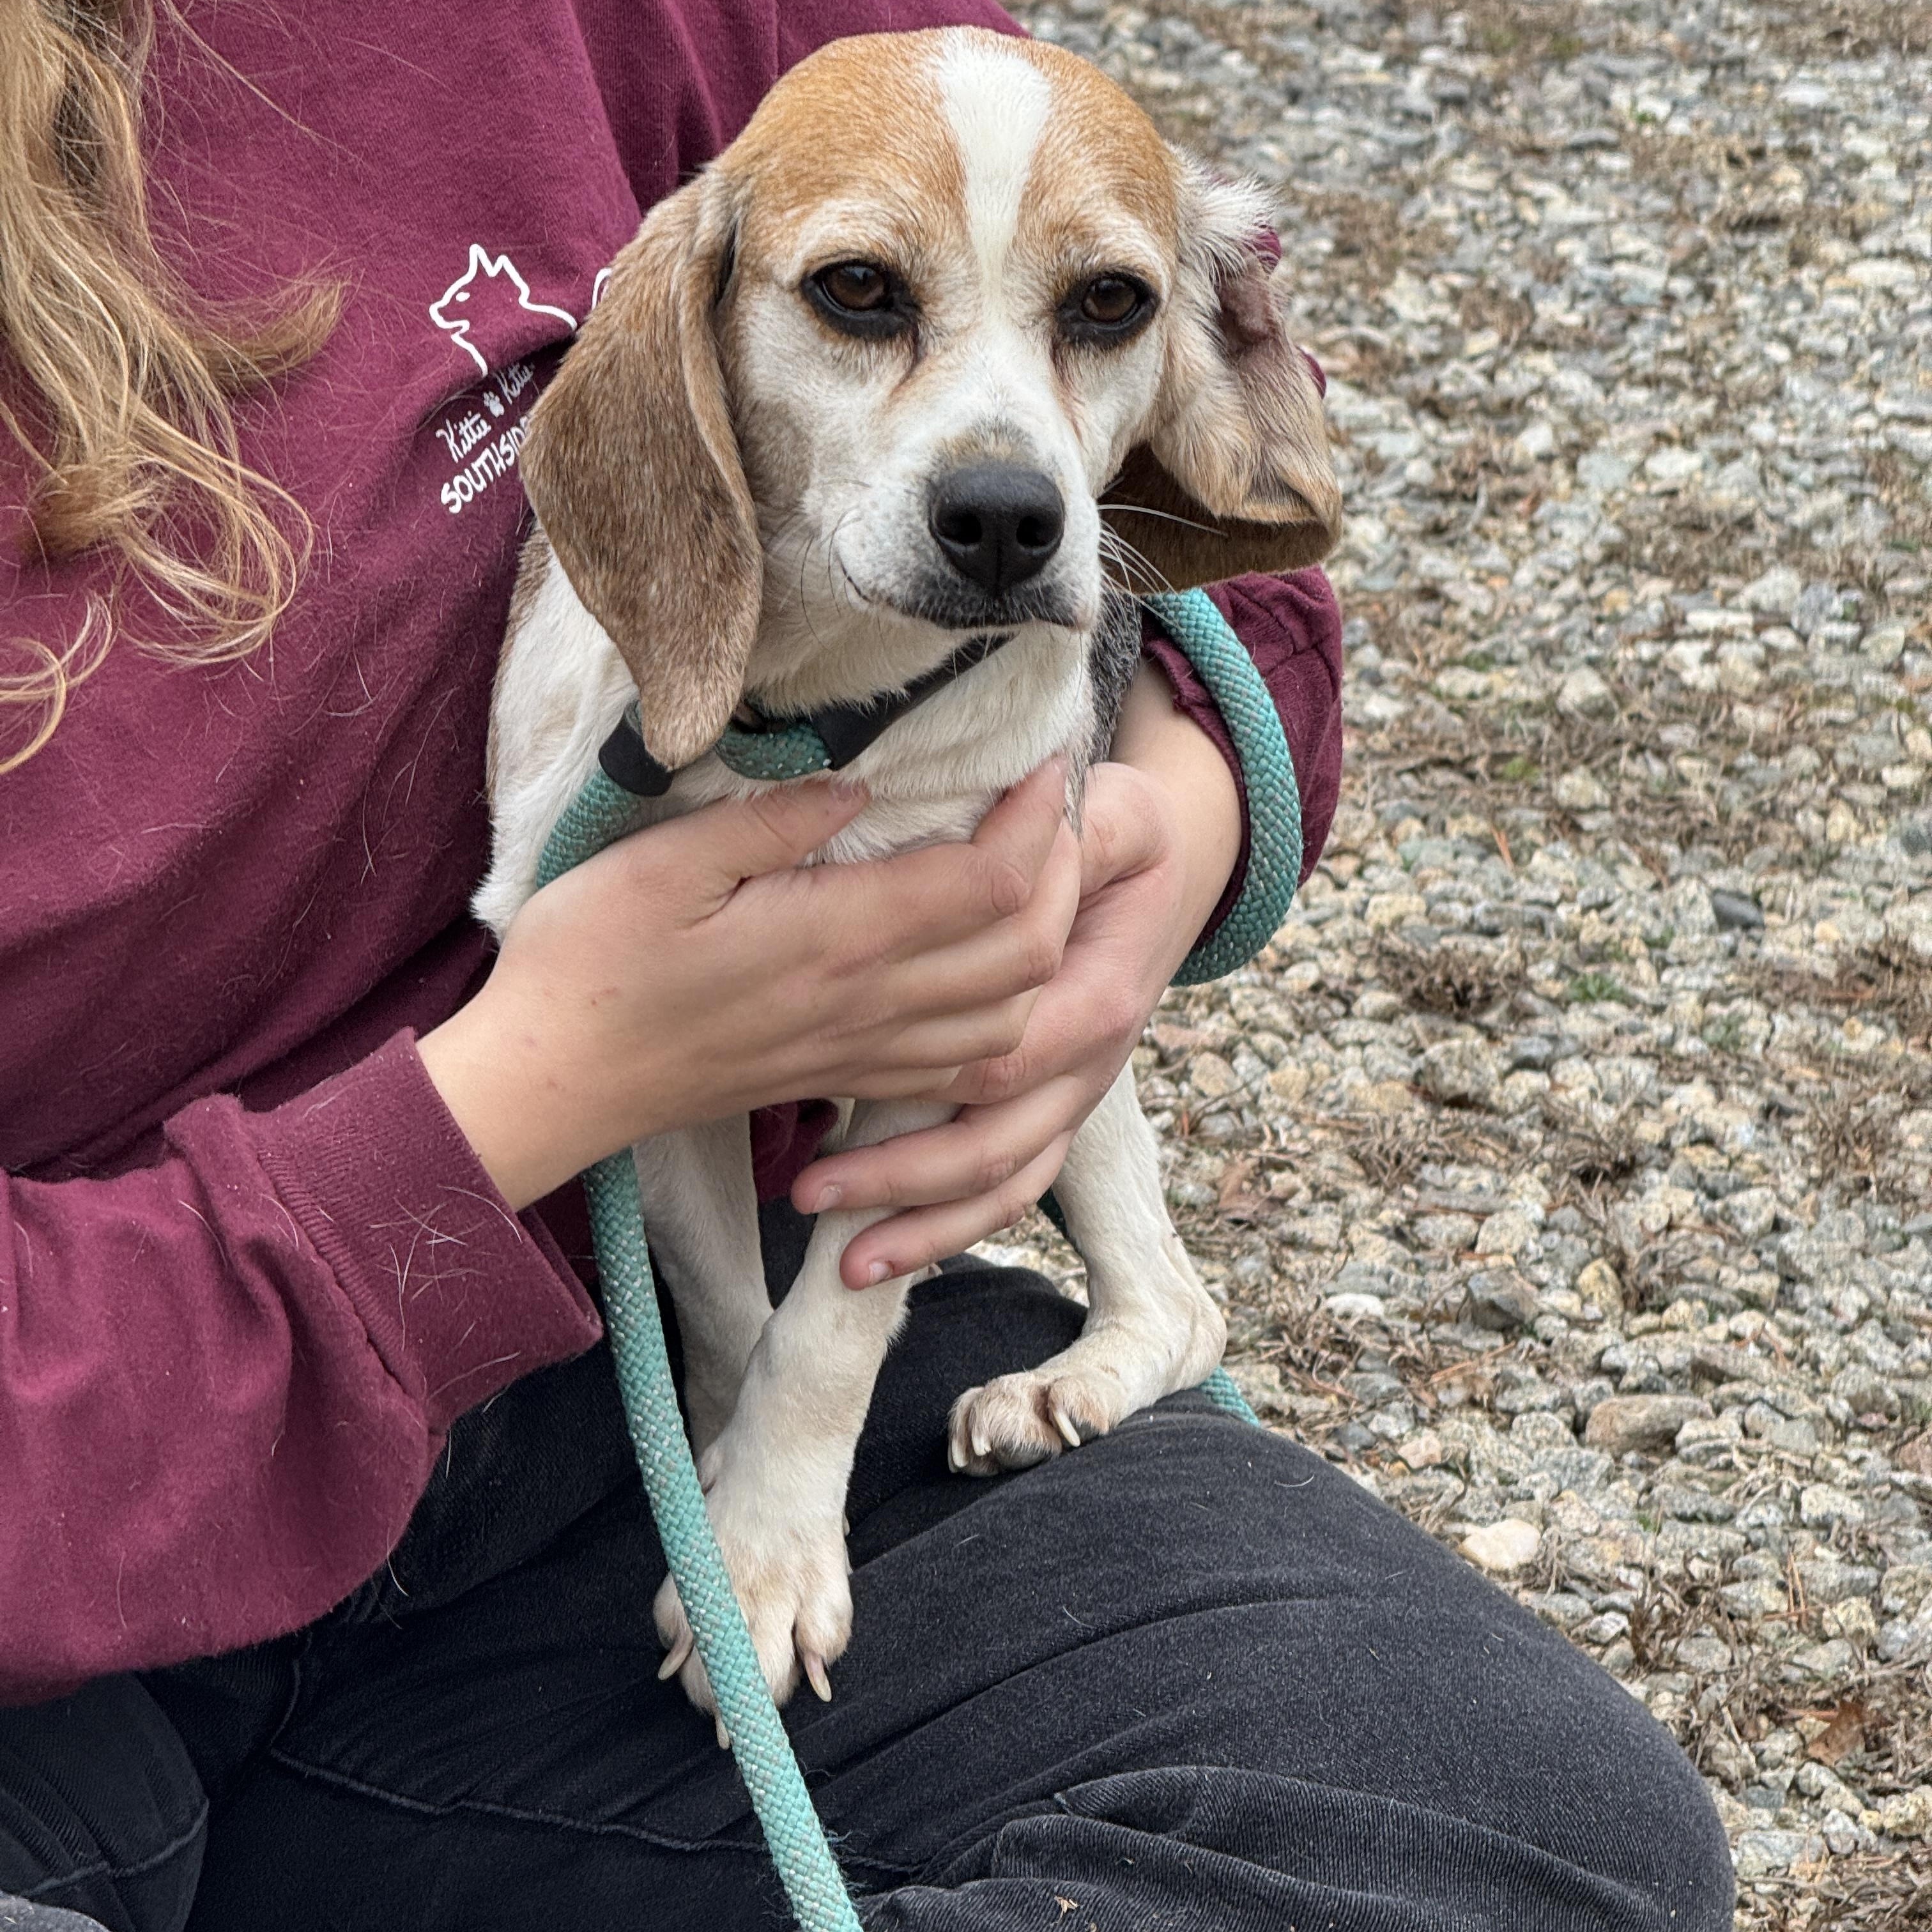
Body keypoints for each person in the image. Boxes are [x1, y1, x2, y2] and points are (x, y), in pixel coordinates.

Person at [0, 1, 1735, 1927]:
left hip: (601, 1410)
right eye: (860, 302)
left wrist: (1169, 819)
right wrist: (542, 1087)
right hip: (62, 1571)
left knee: (1502, 1831)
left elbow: (1195, 471)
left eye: (1092, 324)